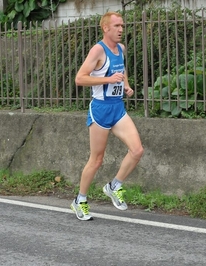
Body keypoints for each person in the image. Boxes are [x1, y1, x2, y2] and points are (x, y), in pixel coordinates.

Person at [70, 11, 144, 221]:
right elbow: (80, 79)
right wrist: (108, 79)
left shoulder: (120, 49)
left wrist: (126, 85)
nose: (121, 29)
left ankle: (114, 186)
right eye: (117, 26)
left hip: (117, 108)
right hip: (101, 110)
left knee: (137, 150)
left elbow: (122, 69)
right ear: (106, 28)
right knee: (97, 160)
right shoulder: (97, 51)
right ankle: (80, 200)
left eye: (122, 25)